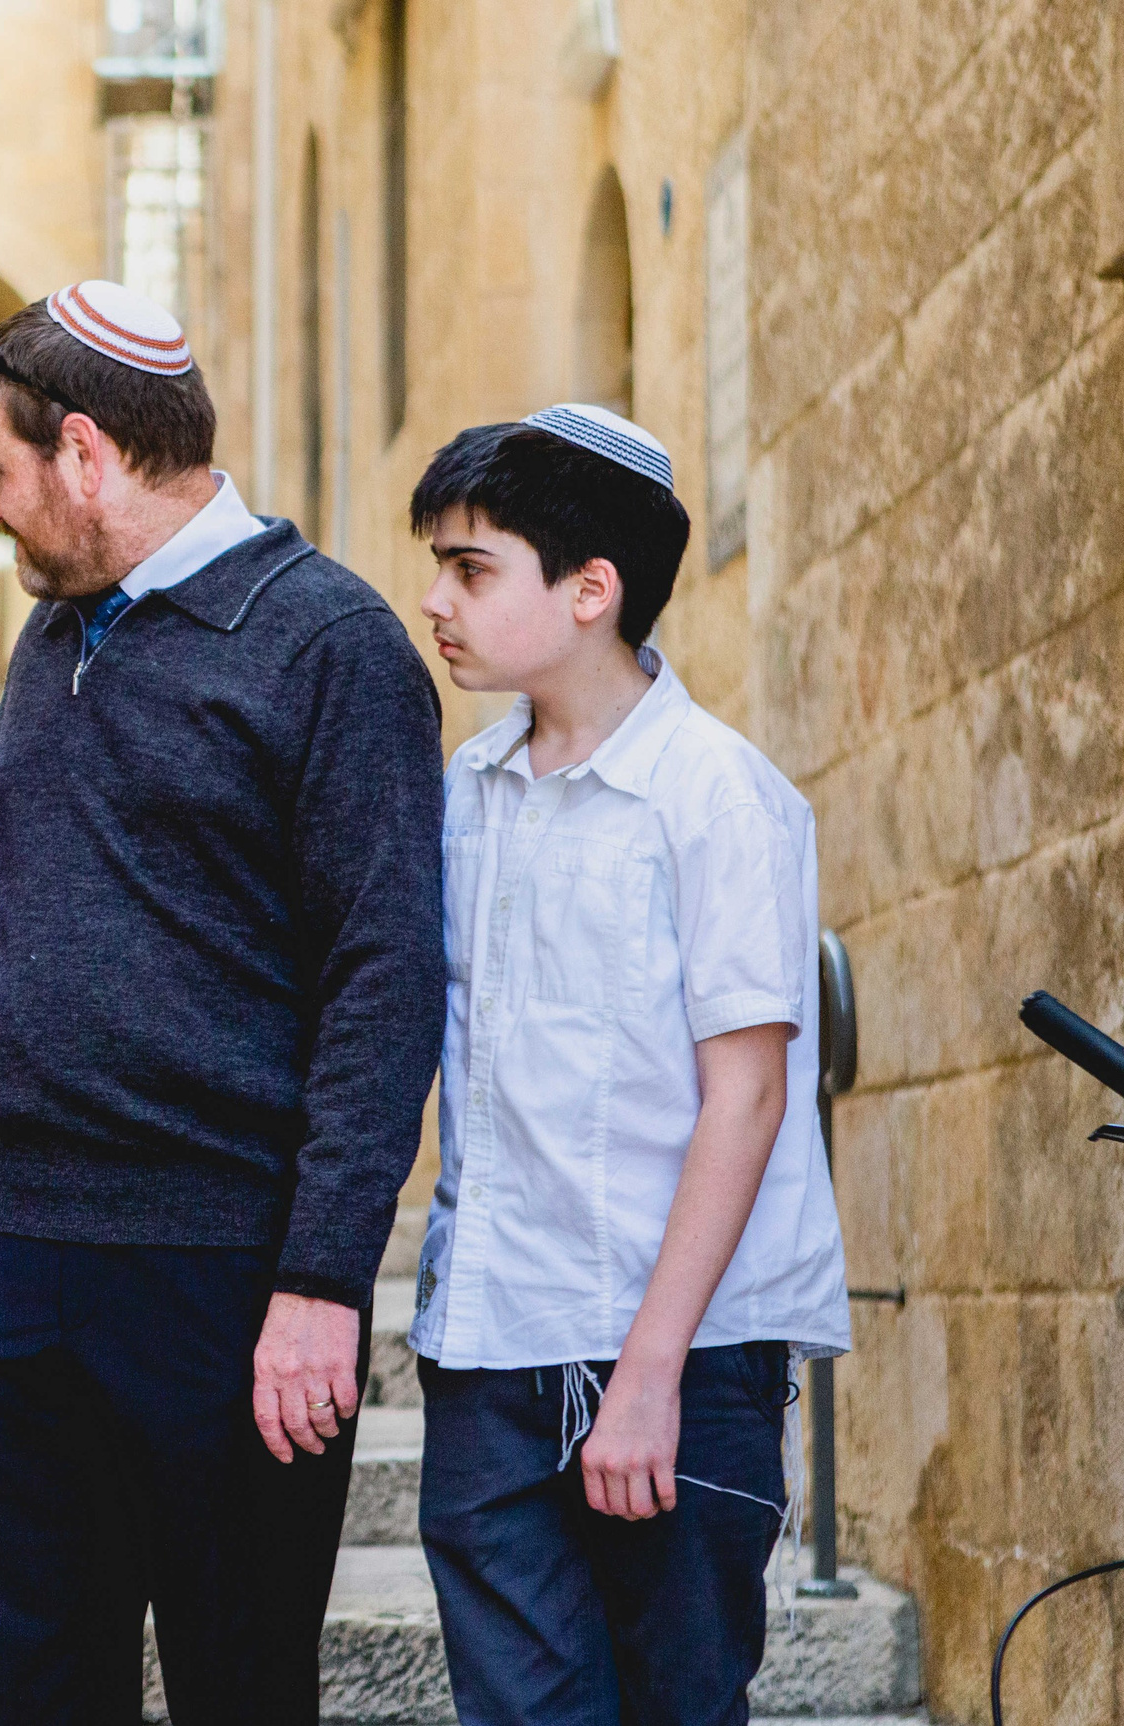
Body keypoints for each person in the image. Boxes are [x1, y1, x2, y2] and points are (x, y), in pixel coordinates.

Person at [0, 280, 449, 1723]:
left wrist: (324, 1279)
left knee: (240, 1679)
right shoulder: (50, 638)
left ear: (85, 455)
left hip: (218, 1273)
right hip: (0, 1248)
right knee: (14, 1684)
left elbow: (385, 976)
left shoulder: (332, 646)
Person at [405, 406, 849, 1724]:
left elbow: (751, 1092)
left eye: (472, 567)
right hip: (487, 1348)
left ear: (591, 589)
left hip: (680, 1359)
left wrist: (648, 1376)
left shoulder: (719, 799)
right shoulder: (463, 793)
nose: (436, 598)